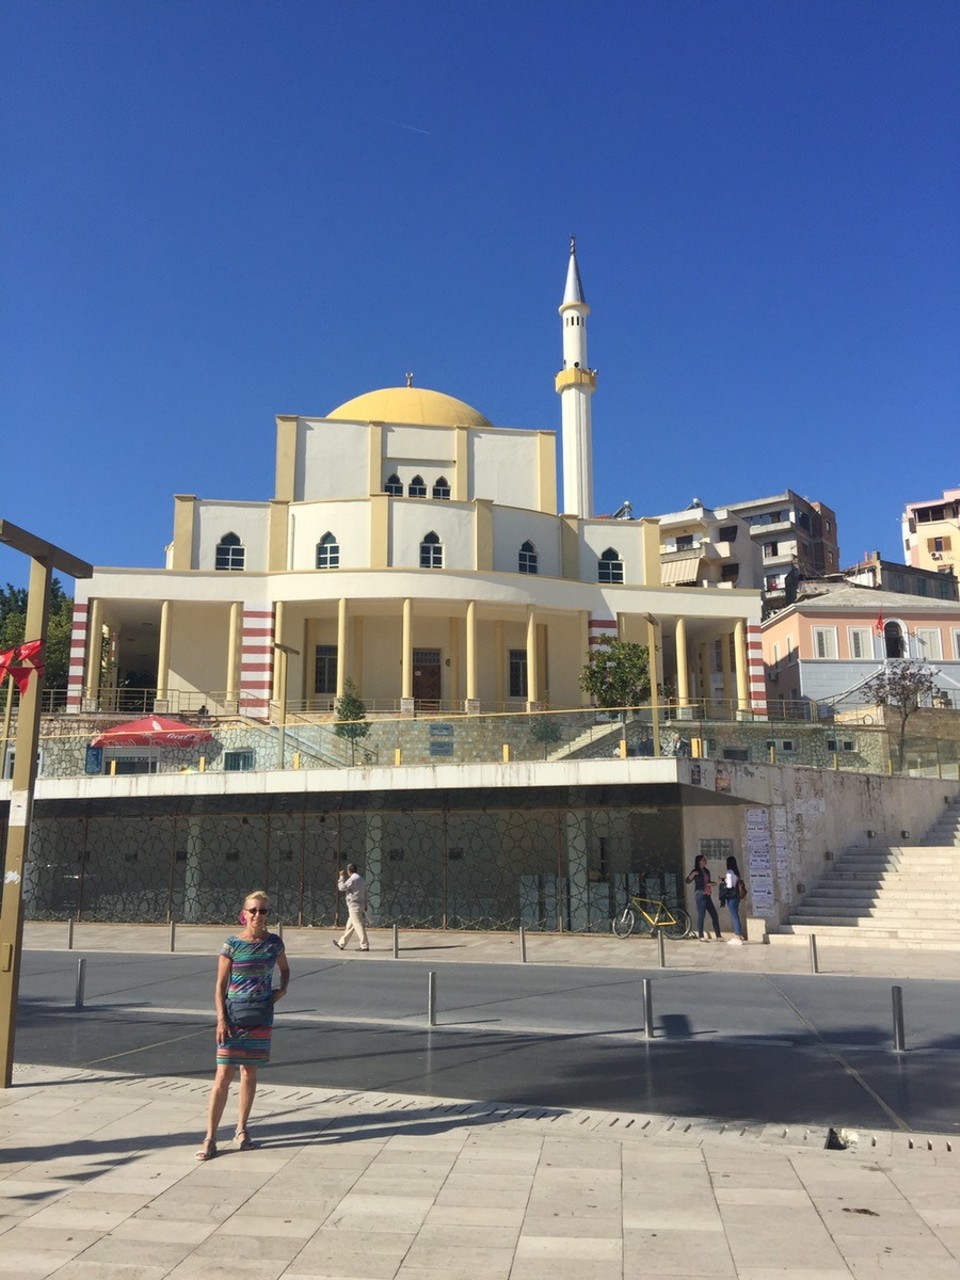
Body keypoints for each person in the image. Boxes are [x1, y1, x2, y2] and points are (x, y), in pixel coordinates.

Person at [195, 889, 289, 1160]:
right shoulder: (232, 945)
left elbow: (285, 969)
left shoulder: (274, 943)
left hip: (259, 1017)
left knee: (249, 1072)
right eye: (253, 910)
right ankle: (210, 1137)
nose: (258, 915)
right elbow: (220, 985)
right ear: (244, 914)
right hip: (233, 1018)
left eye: (263, 911)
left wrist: (281, 991)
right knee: (223, 1076)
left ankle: (242, 1130)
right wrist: (220, 1019)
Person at [685, 853, 722, 941]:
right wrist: (693, 874)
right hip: (700, 894)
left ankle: (718, 936)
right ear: (699, 861)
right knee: (702, 915)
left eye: (705, 859)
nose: (705, 861)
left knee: (714, 915)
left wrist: (712, 883)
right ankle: (701, 936)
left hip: (707, 894)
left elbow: (707, 882)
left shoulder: (707, 871)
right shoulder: (696, 871)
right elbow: (687, 881)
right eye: (703, 860)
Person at [334, 863, 369, 952]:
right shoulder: (362, 879)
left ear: (349, 871)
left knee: (358, 925)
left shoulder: (353, 879)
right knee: (350, 926)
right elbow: (365, 893)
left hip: (354, 906)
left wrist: (341, 877)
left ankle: (364, 945)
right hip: (360, 904)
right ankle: (341, 943)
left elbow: (342, 887)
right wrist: (365, 905)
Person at [723, 855, 747, 945]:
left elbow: (729, 885)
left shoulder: (729, 872)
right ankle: (740, 935)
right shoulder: (737, 873)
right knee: (736, 914)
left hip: (731, 896)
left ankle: (737, 935)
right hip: (736, 896)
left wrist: (725, 881)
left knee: (734, 916)